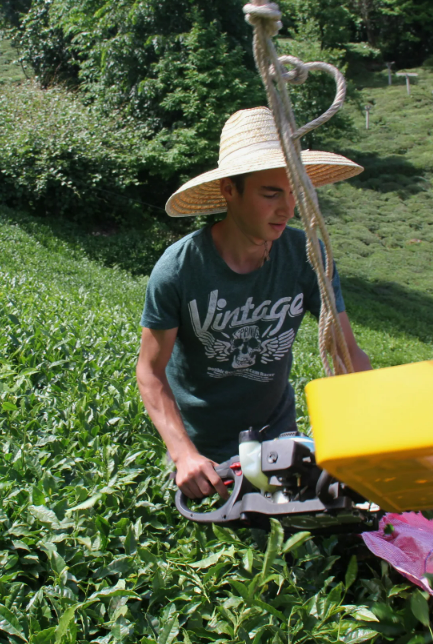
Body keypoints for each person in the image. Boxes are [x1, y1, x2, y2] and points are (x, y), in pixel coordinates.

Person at [136, 107, 372, 501]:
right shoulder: (179, 269)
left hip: (277, 439)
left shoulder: (308, 256)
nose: (288, 209)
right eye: (270, 193)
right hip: (203, 455)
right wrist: (184, 455)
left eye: (294, 193)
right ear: (230, 190)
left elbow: (345, 351)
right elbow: (150, 371)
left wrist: (378, 429)